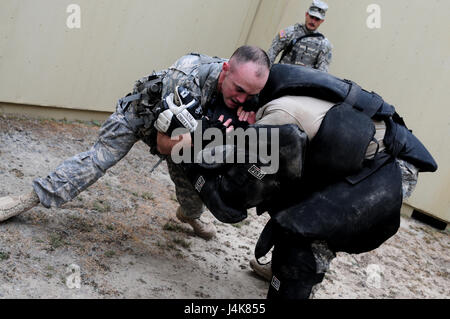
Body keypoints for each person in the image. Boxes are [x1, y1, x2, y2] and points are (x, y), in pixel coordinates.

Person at [157, 63, 437, 298]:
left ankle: (291, 279)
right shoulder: (278, 93)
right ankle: (279, 269)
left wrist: (192, 152)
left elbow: (227, 168)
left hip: (389, 165)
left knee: (305, 235)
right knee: (282, 185)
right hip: (348, 154)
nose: (238, 108)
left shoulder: (278, 114)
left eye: (243, 100)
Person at [0, 45, 271, 241]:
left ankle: (189, 214)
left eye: (252, 94)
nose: (243, 99)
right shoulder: (186, 78)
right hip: (140, 119)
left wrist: (245, 116)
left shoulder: (245, 87)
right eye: (239, 90)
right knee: (97, 160)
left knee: (195, 181)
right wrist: (207, 133)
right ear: (226, 70)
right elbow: (164, 145)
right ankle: (28, 198)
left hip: (187, 134)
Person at [267, 0, 332, 72]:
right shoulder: (289, 33)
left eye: (317, 19)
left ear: (322, 21)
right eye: (311, 17)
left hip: (303, 82)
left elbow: (322, 73)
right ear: (306, 14)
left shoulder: (324, 45)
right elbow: (271, 54)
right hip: (282, 77)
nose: (313, 21)